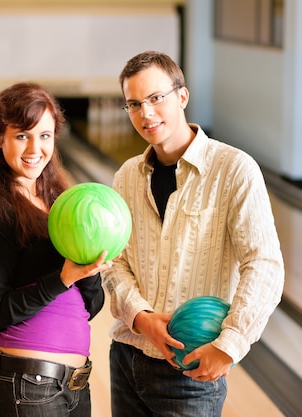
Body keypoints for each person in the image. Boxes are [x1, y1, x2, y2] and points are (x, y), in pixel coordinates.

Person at [102, 50, 285, 417]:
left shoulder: (234, 170)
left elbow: (264, 265)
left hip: (190, 372)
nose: (146, 113)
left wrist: (230, 345)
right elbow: (114, 261)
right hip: (127, 357)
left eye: (156, 98)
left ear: (182, 97)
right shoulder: (126, 176)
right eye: (134, 104)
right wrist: (140, 317)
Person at [0, 82, 113, 417]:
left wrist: (89, 268)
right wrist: (63, 278)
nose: (35, 147)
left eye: (45, 135)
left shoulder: (62, 206)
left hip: (75, 385)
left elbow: (90, 306)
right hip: (26, 386)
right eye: (22, 135)